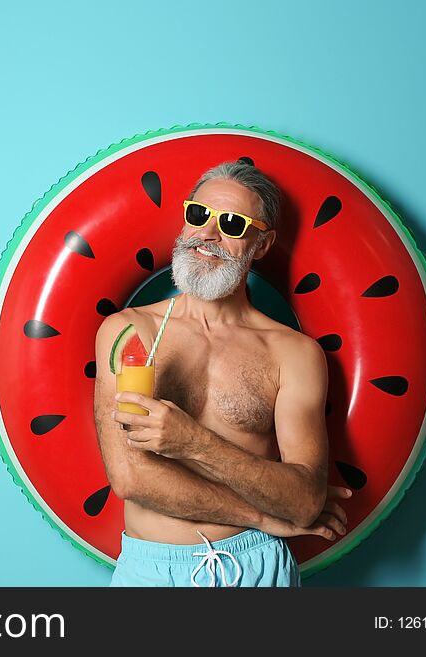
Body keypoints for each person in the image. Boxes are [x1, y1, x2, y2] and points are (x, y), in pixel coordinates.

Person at [93, 160, 352, 587]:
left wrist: (192, 442)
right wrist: (262, 514)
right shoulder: (129, 332)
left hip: (257, 568)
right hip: (151, 571)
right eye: (199, 214)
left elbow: (305, 501)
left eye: (232, 223)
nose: (208, 235)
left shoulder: (294, 353)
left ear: (262, 244)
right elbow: (130, 477)